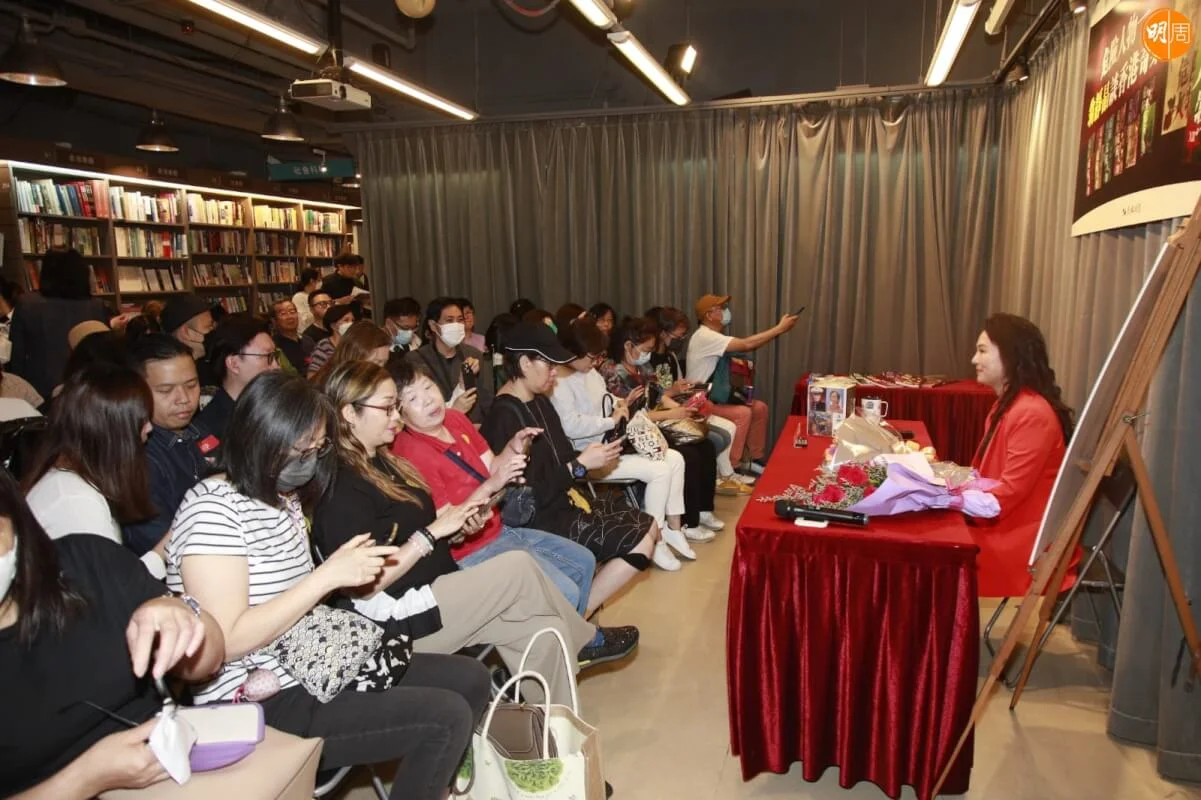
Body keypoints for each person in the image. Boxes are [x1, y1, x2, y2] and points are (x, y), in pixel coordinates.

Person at [165, 372, 493, 800]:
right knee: (444, 717)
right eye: (303, 449)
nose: (312, 461)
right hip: (258, 697)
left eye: (319, 448)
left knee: (470, 678)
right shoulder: (213, 512)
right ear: (262, 439)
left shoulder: (279, 497)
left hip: (314, 660)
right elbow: (226, 641)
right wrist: (327, 577)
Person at [317, 362, 633, 683]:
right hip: (406, 611)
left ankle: (554, 709)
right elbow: (366, 584)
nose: (396, 418)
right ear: (350, 413)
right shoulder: (345, 487)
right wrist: (432, 534)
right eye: (389, 408)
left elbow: (432, 521)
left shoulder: (385, 460)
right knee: (519, 568)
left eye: (397, 407)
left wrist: (448, 526)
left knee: (544, 630)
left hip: (441, 575)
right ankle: (586, 640)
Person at [0, 469, 226, 798]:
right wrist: (87, 778)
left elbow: (211, 658)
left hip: (179, 772)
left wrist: (183, 617)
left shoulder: (88, 562)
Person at [389, 358, 600, 617]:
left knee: (584, 562)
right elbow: (449, 522)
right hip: (468, 552)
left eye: (428, 387)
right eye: (412, 398)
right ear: (399, 413)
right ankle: (569, 636)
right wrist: (493, 483)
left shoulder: (455, 419)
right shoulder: (410, 452)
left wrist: (513, 446)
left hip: (499, 530)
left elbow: (491, 466)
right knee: (564, 591)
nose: (428, 400)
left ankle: (577, 634)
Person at [481, 322, 678, 583]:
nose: (555, 373)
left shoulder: (540, 402)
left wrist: (594, 458)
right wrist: (578, 466)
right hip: (541, 519)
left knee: (651, 526)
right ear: (525, 363)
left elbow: (562, 455)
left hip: (565, 501)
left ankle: (582, 604)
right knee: (640, 539)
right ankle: (584, 607)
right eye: (549, 365)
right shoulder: (504, 416)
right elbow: (524, 496)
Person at [553, 317, 715, 558]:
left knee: (676, 459)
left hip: (611, 445)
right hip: (588, 456)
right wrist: (612, 420)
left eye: (598, 357)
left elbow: (606, 397)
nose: (595, 362)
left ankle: (674, 528)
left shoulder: (589, 373)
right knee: (660, 470)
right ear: (572, 352)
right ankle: (653, 537)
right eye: (592, 357)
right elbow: (571, 426)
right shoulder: (559, 382)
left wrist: (622, 402)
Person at [970, 313, 1078, 598]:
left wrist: (952, 498)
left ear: (1010, 355)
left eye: (982, 351)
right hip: (1004, 522)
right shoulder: (1008, 405)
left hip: (1020, 537)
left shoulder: (1031, 412)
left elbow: (1008, 494)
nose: (974, 359)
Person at [22, 363, 165, 577]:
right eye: (141, 420)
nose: (149, 428)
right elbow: (112, 587)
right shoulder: (75, 499)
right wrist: (165, 549)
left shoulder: (72, 477)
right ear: (111, 429)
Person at [598, 317, 722, 544]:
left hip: (651, 424)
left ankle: (703, 508)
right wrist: (670, 414)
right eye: (645, 349)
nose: (648, 355)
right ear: (628, 345)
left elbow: (658, 396)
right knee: (688, 455)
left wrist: (681, 410)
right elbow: (630, 416)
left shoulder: (642, 366)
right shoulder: (612, 372)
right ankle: (687, 521)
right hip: (631, 433)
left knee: (705, 446)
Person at [685, 294, 799, 475]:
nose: (725, 312)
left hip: (717, 396)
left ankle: (753, 459)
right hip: (700, 401)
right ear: (709, 315)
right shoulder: (704, 336)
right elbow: (747, 344)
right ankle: (733, 467)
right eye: (720, 308)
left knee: (760, 408)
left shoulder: (714, 336)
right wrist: (779, 329)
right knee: (742, 413)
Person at [123, 334, 211, 563]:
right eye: (165, 390)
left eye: (191, 385)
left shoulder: (200, 430)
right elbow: (162, 547)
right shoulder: (136, 460)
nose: (184, 399)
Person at [645, 306, 750, 496]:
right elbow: (656, 395)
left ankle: (723, 475)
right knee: (717, 437)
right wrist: (675, 394)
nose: (680, 340)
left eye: (682, 336)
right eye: (677, 336)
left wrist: (689, 388)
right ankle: (719, 477)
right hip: (664, 413)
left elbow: (678, 384)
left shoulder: (670, 356)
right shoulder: (648, 360)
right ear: (663, 333)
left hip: (678, 406)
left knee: (727, 429)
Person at [9, 248, 110, 400]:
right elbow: (105, 354)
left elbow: (16, 356)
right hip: (87, 389)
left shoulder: (27, 304)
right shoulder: (96, 306)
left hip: (40, 391)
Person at [193, 313, 281, 449]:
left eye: (275, 356)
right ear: (234, 364)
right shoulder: (211, 430)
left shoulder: (276, 407)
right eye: (268, 357)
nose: (276, 366)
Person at [408, 297, 495, 424]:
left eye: (460, 320)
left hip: (473, 426)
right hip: (437, 425)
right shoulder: (415, 359)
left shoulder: (474, 354)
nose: (456, 325)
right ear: (433, 325)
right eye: (449, 320)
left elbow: (486, 397)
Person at [309, 320, 391, 384]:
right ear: (355, 356)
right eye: (377, 362)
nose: (381, 369)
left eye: (384, 363)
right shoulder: (332, 388)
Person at [159, 294, 216, 385]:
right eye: (208, 326)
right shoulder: (166, 377)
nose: (213, 331)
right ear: (186, 332)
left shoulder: (211, 368)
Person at [306, 303, 357, 377]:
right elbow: (312, 376)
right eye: (346, 320)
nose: (351, 323)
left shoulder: (356, 344)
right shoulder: (324, 346)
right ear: (333, 325)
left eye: (352, 320)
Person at [270, 298, 315, 375]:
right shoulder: (273, 346)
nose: (290, 317)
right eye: (283, 314)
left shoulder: (308, 340)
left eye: (292, 312)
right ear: (274, 321)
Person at [292, 267, 322, 332]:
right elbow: (303, 319)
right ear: (312, 281)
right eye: (318, 280)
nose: (320, 283)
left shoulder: (316, 296)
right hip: (306, 332)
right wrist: (319, 311)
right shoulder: (298, 297)